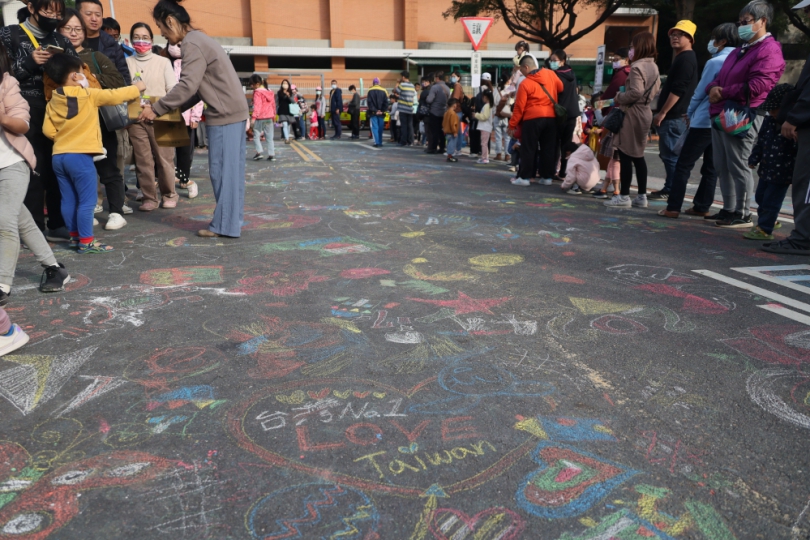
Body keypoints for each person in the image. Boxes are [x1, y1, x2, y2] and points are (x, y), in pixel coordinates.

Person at [139, 0, 250, 239]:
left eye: (161, 27)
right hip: (232, 112)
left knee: (221, 172)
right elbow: (200, 88)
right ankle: (231, 221)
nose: (162, 34)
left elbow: (188, 85)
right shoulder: (200, 39)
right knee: (230, 171)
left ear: (170, 21)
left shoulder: (192, 43)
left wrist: (156, 109)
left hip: (225, 115)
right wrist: (175, 111)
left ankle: (225, 226)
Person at [43, 54, 144, 252]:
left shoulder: (53, 99)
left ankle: (74, 238)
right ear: (74, 76)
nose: (84, 77)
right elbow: (115, 95)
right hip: (80, 157)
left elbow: (47, 130)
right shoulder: (89, 95)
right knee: (87, 201)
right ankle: (87, 241)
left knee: (69, 199)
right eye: (82, 73)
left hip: (59, 156)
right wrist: (137, 88)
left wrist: (64, 138)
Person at [0, 0, 79, 242]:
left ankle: (58, 222)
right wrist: (29, 62)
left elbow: (77, 70)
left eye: (58, 13)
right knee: (33, 166)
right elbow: (4, 71)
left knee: (58, 167)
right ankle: (33, 227)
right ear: (32, 8)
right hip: (24, 108)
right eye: (48, 11)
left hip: (59, 108)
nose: (54, 17)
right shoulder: (9, 34)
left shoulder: (62, 41)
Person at [0, 44, 70, 306]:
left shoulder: (7, 84)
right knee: (22, 221)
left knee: (3, 221)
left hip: (12, 163)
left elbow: (22, 123)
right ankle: (54, 268)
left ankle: (2, 284)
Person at [707, 0, 785, 228]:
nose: (741, 26)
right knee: (722, 164)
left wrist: (721, 92)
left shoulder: (769, 50)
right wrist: (712, 88)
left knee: (738, 163)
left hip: (744, 112)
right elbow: (720, 77)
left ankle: (743, 212)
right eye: (739, 22)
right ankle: (728, 208)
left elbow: (759, 85)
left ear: (763, 22)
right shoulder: (742, 49)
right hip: (725, 110)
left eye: (747, 22)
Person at [58, 9, 133, 231]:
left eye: (78, 29)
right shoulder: (55, 59)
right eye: (68, 29)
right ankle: (86, 210)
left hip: (99, 122)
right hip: (70, 126)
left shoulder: (95, 56)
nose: (74, 33)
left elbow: (117, 79)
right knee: (79, 171)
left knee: (109, 168)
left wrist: (89, 79)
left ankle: (117, 212)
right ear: (59, 31)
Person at [660, 23, 740, 219]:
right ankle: (702, 205)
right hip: (727, 119)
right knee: (712, 167)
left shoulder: (715, 61)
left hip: (704, 119)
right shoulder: (740, 60)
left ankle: (673, 207)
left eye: (715, 39)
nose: (711, 43)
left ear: (722, 41)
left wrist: (690, 111)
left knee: (684, 164)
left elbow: (701, 90)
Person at [603, 31, 661, 208]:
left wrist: (620, 96)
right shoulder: (654, 66)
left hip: (632, 113)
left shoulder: (637, 67)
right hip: (645, 112)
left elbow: (635, 92)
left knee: (626, 154)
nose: (631, 50)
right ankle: (641, 196)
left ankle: (624, 196)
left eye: (632, 46)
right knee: (638, 155)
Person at [126, 22, 178, 212]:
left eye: (145, 37)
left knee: (165, 159)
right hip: (136, 118)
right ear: (131, 40)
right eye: (137, 37)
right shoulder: (127, 62)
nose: (141, 41)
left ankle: (169, 194)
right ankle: (149, 197)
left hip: (161, 116)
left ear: (152, 39)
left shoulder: (163, 62)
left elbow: (173, 89)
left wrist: (157, 108)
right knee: (143, 160)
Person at [647, 20, 698, 200]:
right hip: (676, 116)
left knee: (671, 156)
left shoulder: (685, 59)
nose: (675, 37)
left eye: (681, 34)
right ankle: (671, 188)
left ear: (690, 38)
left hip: (675, 116)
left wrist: (662, 112)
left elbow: (679, 89)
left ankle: (673, 191)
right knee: (669, 155)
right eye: (673, 34)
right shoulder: (682, 58)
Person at [743, 84, 796, 240]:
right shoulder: (769, 121)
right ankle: (769, 220)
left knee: (771, 200)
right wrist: (754, 157)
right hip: (766, 168)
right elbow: (761, 141)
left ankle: (765, 228)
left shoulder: (792, 127)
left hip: (782, 172)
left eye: (775, 109)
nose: (771, 112)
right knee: (760, 197)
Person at [507, 54, 564, 187]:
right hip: (551, 118)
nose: (522, 74)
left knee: (529, 148)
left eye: (521, 71)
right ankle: (547, 177)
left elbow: (519, 107)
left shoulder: (525, 83)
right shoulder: (550, 74)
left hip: (532, 119)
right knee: (548, 148)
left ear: (526, 67)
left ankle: (525, 178)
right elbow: (561, 88)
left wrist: (512, 125)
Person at [165, 39, 201, 197]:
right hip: (165, 114)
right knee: (164, 151)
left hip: (185, 115)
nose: (175, 48)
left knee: (184, 152)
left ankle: (184, 179)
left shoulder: (192, 65)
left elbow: (198, 92)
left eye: (179, 45)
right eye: (171, 43)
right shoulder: (164, 62)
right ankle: (161, 180)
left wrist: (196, 116)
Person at [76, 0, 130, 84]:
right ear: (77, 15)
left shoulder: (112, 45)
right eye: (88, 14)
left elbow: (124, 77)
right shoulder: (69, 42)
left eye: (98, 15)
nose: (94, 19)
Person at [548, 49, 581, 179]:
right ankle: (563, 172)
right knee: (566, 145)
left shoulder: (555, 75)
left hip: (559, 113)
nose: (552, 63)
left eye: (554, 60)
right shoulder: (571, 73)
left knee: (555, 143)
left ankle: (551, 171)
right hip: (572, 113)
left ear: (562, 61)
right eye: (551, 60)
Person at [249, 74, 275, 161]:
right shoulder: (269, 92)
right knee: (269, 137)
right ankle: (271, 154)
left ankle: (259, 152)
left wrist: (253, 118)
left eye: (252, 84)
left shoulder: (257, 93)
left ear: (257, 83)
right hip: (269, 117)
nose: (251, 86)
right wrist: (274, 115)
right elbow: (273, 105)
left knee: (256, 135)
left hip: (260, 117)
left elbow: (257, 106)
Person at [426, 71, 449, 154]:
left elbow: (429, 100)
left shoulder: (435, 87)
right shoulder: (447, 88)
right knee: (441, 131)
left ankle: (433, 147)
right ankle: (442, 147)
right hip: (443, 112)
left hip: (434, 111)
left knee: (433, 131)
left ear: (437, 78)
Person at [367, 77, 389, 148]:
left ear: (373, 83)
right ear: (379, 83)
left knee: (375, 128)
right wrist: (381, 110)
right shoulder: (384, 90)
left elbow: (369, 102)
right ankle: (380, 142)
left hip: (373, 113)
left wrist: (375, 110)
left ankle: (376, 142)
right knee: (380, 128)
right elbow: (386, 102)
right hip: (381, 113)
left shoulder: (370, 90)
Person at [396, 71, 416, 146]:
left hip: (403, 108)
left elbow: (396, 91)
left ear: (403, 77)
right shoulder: (412, 85)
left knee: (404, 126)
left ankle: (403, 141)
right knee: (410, 126)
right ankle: (410, 141)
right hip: (410, 108)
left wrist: (397, 82)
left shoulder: (402, 84)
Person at [474, 90, 493, 164]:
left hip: (485, 127)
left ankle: (484, 158)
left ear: (485, 97)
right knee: (484, 143)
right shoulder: (489, 105)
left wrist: (476, 115)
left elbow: (485, 116)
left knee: (484, 143)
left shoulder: (486, 106)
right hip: (486, 127)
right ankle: (485, 157)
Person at [443, 98, 460, 163]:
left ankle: (449, 156)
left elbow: (444, 122)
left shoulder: (446, 113)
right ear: (454, 105)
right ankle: (450, 156)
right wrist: (455, 131)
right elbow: (453, 124)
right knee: (452, 144)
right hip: (452, 132)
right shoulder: (453, 114)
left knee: (449, 143)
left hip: (447, 131)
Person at [277, 79, 294, 143]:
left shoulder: (290, 92)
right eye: (283, 83)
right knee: (284, 124)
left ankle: (287, 136)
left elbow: (293, 101)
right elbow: (277, 101)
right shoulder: (279, 92)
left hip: (289, 110)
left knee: (288, 125)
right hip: (282, 110)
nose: (285, 84)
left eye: (286, 83)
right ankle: (286, 138)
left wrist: (288, 96)